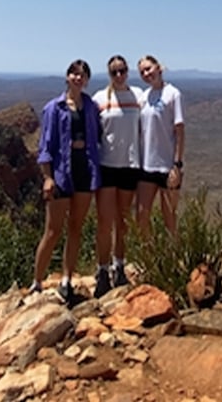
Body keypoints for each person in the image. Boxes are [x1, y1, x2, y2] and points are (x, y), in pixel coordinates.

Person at [30, 59, 101, 304]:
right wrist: (48, 177)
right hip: (61, 173)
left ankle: (66, 279)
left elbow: (98, 135)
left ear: (87, 80)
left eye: (82, 75)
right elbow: (45, 146)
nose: (78, 78)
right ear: (67, 77)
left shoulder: (91, 106)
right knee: (52, 230)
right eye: (74, 73)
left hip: (85, 170)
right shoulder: (54, 108)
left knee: (75, 229)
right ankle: (37, 282)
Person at [92, 55, 142, 297]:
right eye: (114, 72)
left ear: (128, 71)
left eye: (122, 70)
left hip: (130, 166)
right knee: (104, 222)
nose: (119, 75)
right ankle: (101, 271)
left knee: (122, 222)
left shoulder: (138, 96)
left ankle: (119, 266)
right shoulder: (99, 99)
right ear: (109, 74)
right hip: (106, 166)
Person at [137, 55, 185, 236]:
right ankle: (149, 259)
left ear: (158, 68)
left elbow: (179, 131)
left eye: (148, 68)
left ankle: (172, 259)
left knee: (169, 218)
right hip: (147, 166)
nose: (146, 74)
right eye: (142, 72)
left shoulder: (173, 94)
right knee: (141, 215)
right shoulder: (144, 97)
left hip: (167, 166)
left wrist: (177, 165)